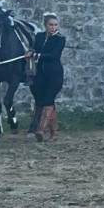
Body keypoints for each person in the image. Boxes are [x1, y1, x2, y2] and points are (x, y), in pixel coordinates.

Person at [26, 12, 66, 142]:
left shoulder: (60, 39)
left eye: (55, 25)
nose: (53, 27)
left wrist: (36, 56)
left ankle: (41, 130)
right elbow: (35, 47)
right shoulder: (39, 36)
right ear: (45, 25)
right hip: (41, 75)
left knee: (48, 99)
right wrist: (31, 51)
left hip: (54, 75)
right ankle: (54, 132)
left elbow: (54, 55)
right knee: (47, 101)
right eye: (50, 25)